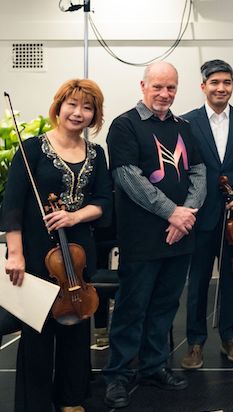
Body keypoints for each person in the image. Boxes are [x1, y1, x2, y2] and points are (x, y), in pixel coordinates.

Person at [2, 79, 112, 412]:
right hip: (37, 253)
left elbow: (104, 202)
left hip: (78, 252)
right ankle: (34, 403)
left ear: (94, 115)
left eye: (88, 107)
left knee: (76, 326)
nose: (79, 113)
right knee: (37, 333)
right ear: (59, 106)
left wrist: (74, 217)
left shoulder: (96, 153)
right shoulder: (32, 148)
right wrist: (16, 254)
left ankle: (71, 397)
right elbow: (12, 207)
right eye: (73, 105)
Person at [103, 62, 207, 409]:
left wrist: (187, 214)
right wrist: (173, 213)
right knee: (132, 307)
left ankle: (153, 367)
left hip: (181, 235)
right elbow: (129, 178)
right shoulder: (125, 126)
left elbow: (199, 172)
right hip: (143, 237)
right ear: (143, 85)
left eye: (172, 88)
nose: (165, 94)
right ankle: (118, 375)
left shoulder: (185, 127)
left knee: (164, 306)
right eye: (158, 87)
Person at [180, 59, 233, 369]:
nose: (221, 88)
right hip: (201, 215)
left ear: (232, 86)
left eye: (227, 82)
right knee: (198, 279)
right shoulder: (186, 123)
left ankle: (230, 338)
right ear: (203, 86)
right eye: (215, 82)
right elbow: (183, 169)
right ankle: (195, 343)